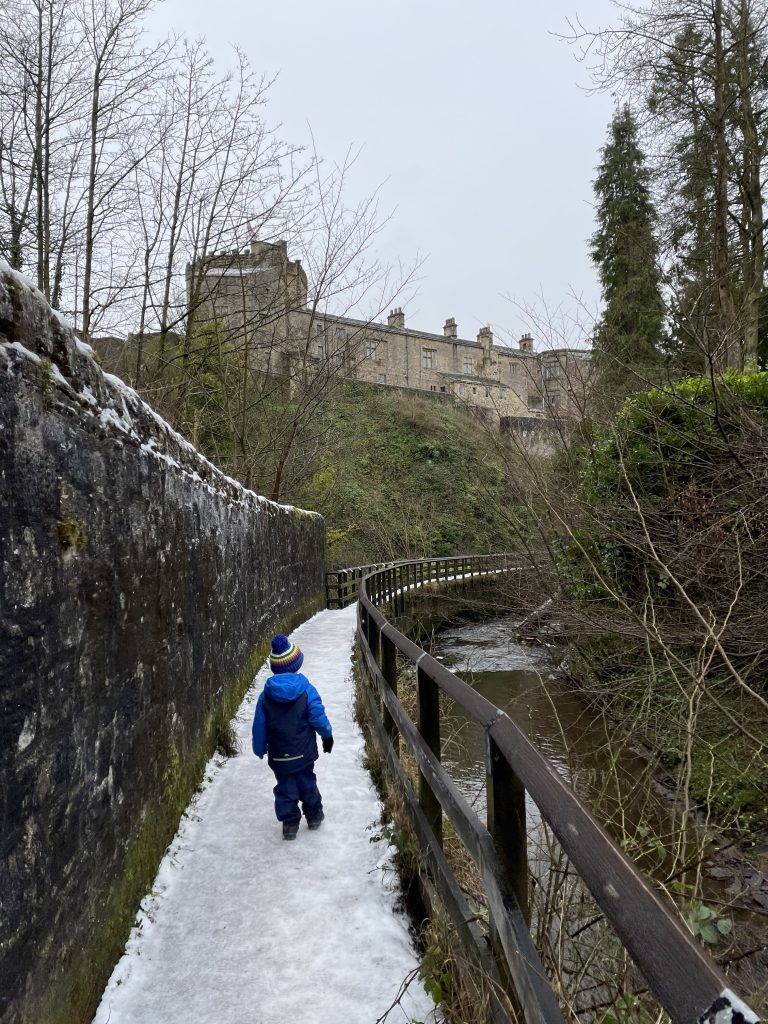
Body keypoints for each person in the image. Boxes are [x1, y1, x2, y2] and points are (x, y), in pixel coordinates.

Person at [252, 634, 334, 840]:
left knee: (285, 787)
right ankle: (314, 815)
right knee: (307, 782)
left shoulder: (265, 696)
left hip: (279, 755)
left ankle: (289, 824)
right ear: (297, 664)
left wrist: (259, 747)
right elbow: (317, 715)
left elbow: (259, 726)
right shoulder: (306, 689)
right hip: (304, 752)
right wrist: (327, 735)